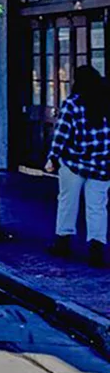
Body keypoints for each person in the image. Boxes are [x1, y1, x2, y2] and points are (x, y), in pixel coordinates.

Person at [46, 65, 110, 268]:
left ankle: (63, 241)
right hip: (101, 164)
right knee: (97, 207)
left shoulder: (72, 104)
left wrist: (53, 157)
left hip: (74, 162)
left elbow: (62, 133)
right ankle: (96, 248)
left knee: (67, 201)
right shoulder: (105, 103)